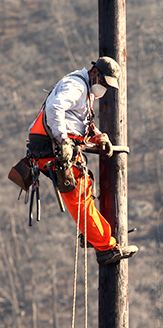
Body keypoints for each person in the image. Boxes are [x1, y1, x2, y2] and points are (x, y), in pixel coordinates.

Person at [27, 57, 138, 265]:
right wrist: (63, 140)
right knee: (79, 197)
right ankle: (106, 247)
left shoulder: (85, 90)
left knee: (84, 188)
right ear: (95, 73)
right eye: (104, 82)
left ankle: (92, 235)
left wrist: (99, 137)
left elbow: (79, 122)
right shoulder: (76, 86)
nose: (104, 88)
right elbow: (54, 109)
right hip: (52, 149)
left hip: (54, 148)